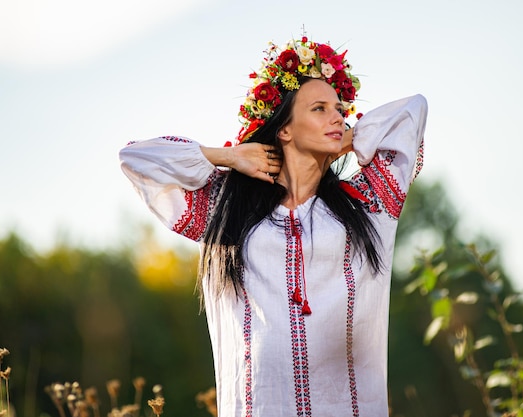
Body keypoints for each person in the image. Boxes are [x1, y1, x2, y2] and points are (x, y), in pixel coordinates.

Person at [119, 36, 427, 417]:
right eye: (319, 108)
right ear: (284, 129)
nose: (338, 117)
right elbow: (136, 158)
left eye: (340, 109)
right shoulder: (225, 208)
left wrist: (350, 140)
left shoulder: (367, 204)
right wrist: (229, 156)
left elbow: (412, 112)